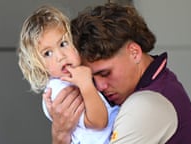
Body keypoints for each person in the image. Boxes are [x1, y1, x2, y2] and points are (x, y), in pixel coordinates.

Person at [43, 3, 191, 144]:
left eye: (105, 73)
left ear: (134, 52)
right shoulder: (163, 83)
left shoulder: (145, 104)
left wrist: (61, 135)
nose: (99, 86)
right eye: (91, 78)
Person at [18, 5, 119, 144]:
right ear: (39, 66)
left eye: (63, 44)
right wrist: (86, 86)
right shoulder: (59, 90)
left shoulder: (79, 74)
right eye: (47, 53)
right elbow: (99, 121)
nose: (60, 56)